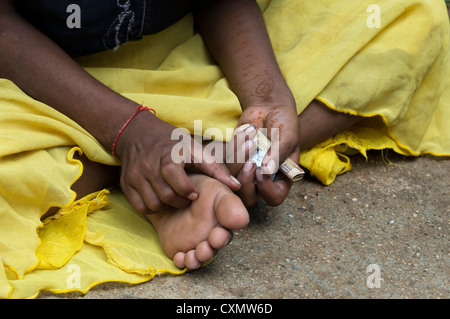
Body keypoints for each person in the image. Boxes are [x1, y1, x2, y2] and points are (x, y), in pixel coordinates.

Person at [0, 0, 448, 280]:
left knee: (410, 11)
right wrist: (129, 132)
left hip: (190, 49)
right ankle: (181, 164)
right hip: (40, 82)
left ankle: (189, 167)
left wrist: (266, 97)